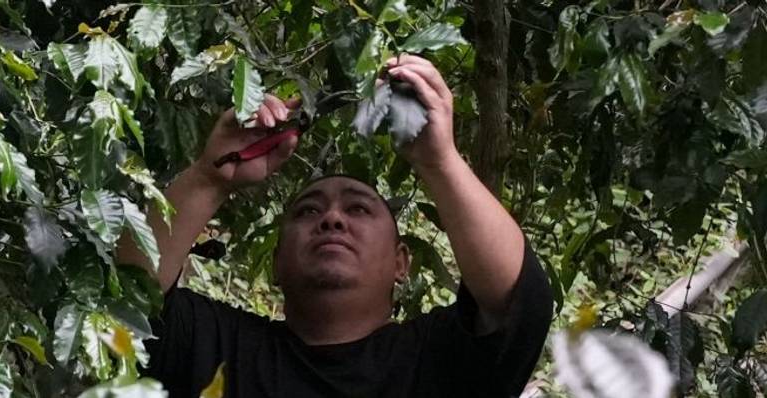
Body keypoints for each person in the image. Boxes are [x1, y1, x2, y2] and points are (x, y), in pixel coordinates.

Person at [115, 55, 554, 397]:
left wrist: (440, 161)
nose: (332, 218)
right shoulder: (216, 348)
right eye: (307, 211)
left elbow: (519, 302)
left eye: (359, 209)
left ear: (401, 263)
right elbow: (126, 300)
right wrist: (210, 178)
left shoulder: (435, 360)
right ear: (277, 263)